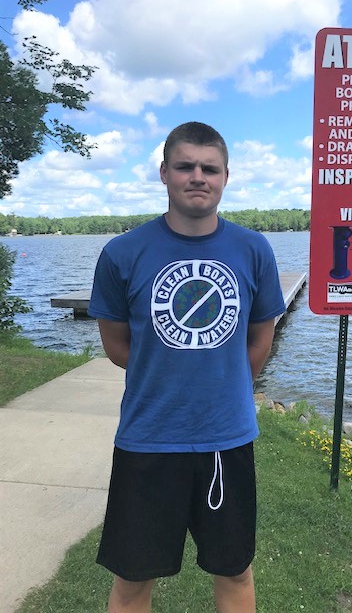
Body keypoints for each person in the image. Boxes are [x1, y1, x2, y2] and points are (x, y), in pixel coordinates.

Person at [88, 121, 286, 613]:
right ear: (164, 174)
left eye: (209, 168)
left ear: (225, 177)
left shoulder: (253, 249)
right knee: (133, 579)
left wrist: (220, 382)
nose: (198, 176)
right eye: (185, 166)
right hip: (148, 440)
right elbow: (117, 345)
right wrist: (172, 369)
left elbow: (260, 338)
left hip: (227, 438)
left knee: (235, 571)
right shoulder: (122, 254)